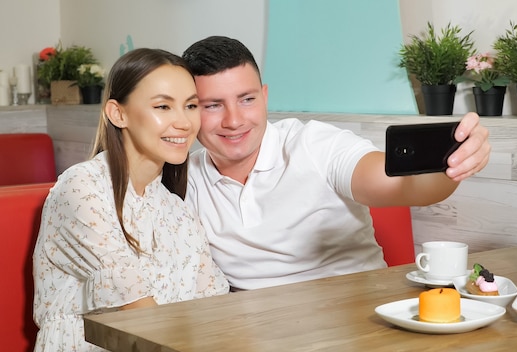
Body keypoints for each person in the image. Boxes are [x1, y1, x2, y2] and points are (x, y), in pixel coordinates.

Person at [182, 36, 491, 291]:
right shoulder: (184, 177)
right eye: (213, 106)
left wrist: (454, 164)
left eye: (246, 99)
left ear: (264, 97)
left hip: (355, 314)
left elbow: (404, 185)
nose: (234, 120)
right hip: (249, 329)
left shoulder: (314, 144)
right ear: (191, 109)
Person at [32, 48, 229, 351]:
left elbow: (212, 308)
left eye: (191, 106)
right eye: (163, 107)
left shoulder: (177, 210)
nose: (184, 122)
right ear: (118, 113)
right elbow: (138, 309)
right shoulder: (82, 189)